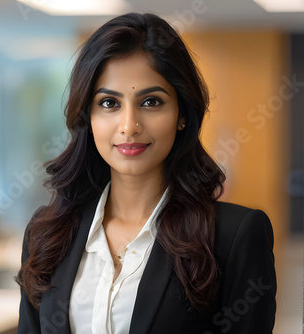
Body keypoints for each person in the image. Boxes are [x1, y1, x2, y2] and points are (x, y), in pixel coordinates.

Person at [16, 12, 276, 334]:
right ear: (88, 117)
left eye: (151, 102)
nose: (129, 126)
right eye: (109, 103)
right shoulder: (47, 234)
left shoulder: (233, 237)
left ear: (182, 114)